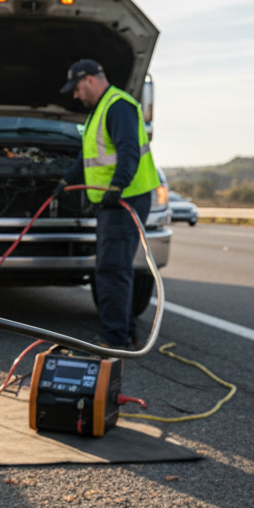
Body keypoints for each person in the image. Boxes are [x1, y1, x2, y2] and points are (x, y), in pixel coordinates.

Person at [55, 59, 160, 349]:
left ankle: (113, 341)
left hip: (125, 199)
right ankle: (123, 331)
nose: (76, 95)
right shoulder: (99, 111)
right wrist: (67, 180)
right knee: (114, 268)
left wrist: (117, 185)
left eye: (77, 88)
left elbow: (128, 150)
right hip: (115, 200)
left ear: (89, 79)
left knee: (112, 269)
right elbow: (87, 155)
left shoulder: (118, 105)